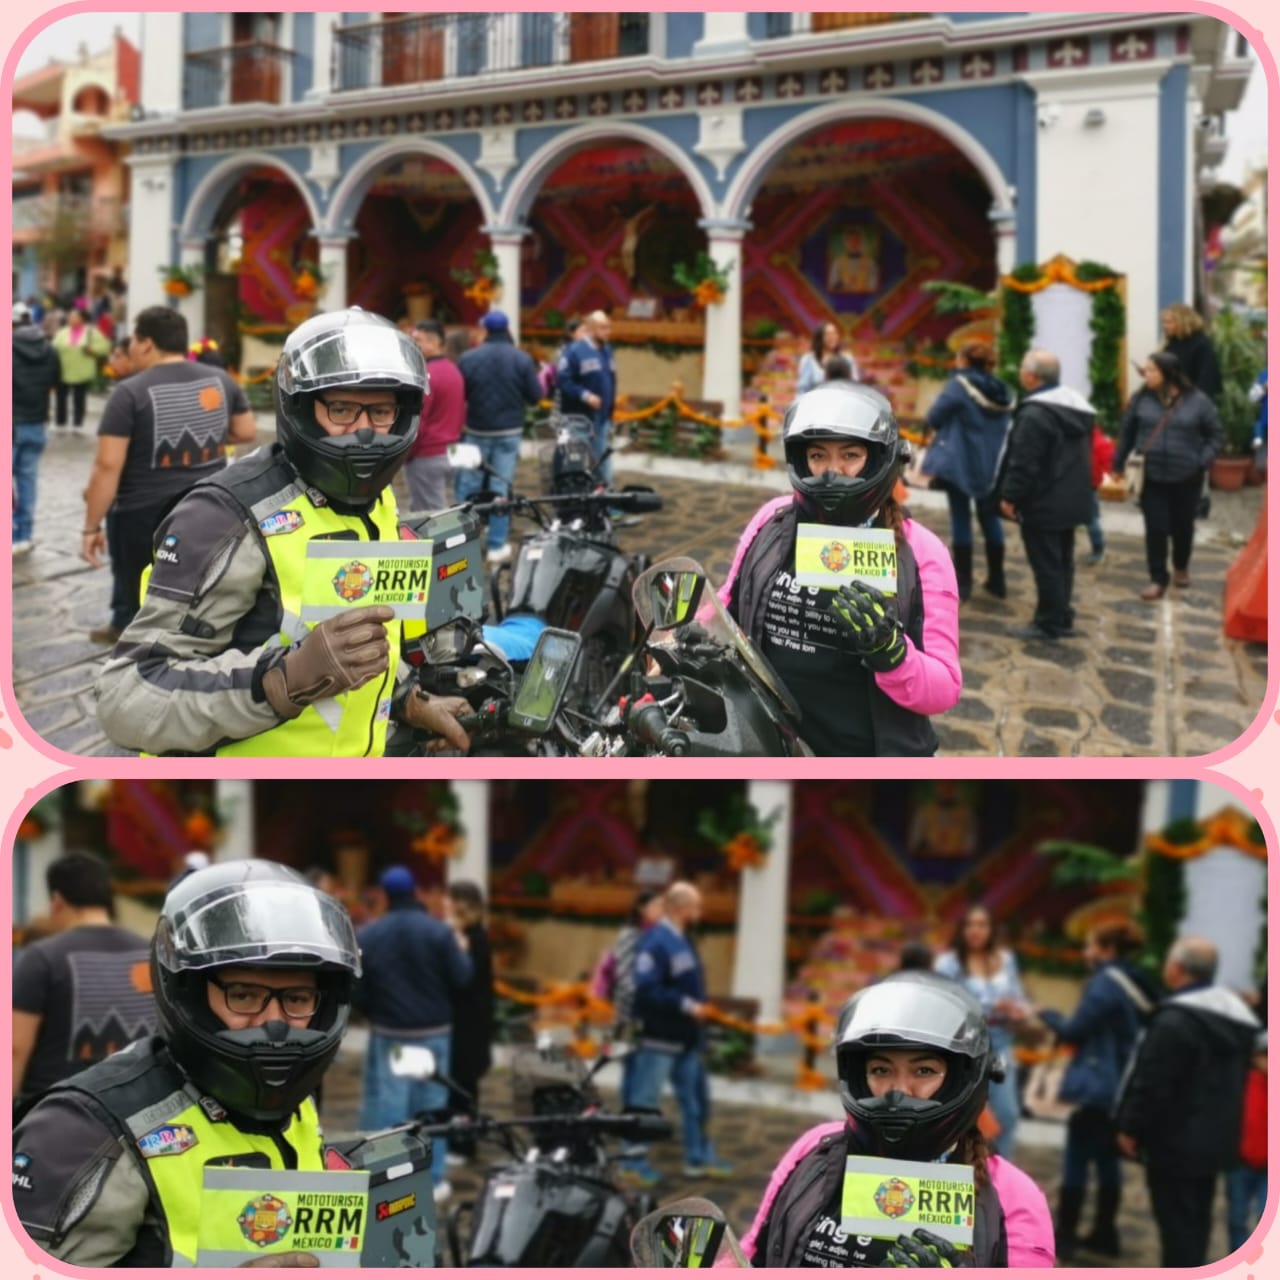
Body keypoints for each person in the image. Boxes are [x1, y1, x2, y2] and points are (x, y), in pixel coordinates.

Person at [94, 307, 473, 757]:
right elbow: (126, 698)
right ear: (300, 407)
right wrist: (283, 680)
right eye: (342, 408)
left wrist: (407, 699)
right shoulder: (225, 515)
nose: (365, 433)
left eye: (382, 411)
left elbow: (360, 631)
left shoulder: (377, 502)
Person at [12, 859, 359, 1266]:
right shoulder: (86, 1128)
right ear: (188, 993)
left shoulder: (296, 1106)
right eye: (244, 995)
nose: (274, 1024)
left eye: (297, 1000)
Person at [736, 972, 1055, 1267]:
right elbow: (751, 1251)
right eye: (881, 1070)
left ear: (964, 1077)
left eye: (924, 1071)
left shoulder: (1013, 1194)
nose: (898, 1091)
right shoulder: (815, 1147)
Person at [717, 381, 961, 757]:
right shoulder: (772, 519)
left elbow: (945, 687)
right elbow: (726, 603)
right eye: (817, 456)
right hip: (769, 741)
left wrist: (892, 652)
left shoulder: (920, 551)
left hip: (865, 752)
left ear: (880, 459)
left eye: (850, 455)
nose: (832, 472)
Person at [81, 306, 257, 646]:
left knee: (132, 581)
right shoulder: (221, 380)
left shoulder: (129, 392)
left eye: (133, 339)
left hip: (140, 511)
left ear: (146, 343)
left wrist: (91, 526)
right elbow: (246, 430)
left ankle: (129, 639)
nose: (131, 346)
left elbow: (107, 465)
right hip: (206, 504)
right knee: (195, 577)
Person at [1115, 936, 1262, 1268]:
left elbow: (1152, 1082)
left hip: (1173, 1143)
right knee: (1197, 1222)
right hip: (1215, 1141)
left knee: (1176, 1229)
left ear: (1177, 969)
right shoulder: (1237, 1019)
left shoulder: (1174, 1020)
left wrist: (1129, 1127)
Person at [1036, 920, 1157, 1261]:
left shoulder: (1105, 982)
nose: (1086, 953)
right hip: (1122, 1083)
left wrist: (1049, 1015)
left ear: (1106, 950)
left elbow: (1076, 1029)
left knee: (1077, 1158)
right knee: (1107, 1159)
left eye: (1090, 946)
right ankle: (1105, 1234)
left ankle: (1068, 1235)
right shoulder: (1134, 979)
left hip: (1098, 1087)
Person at [354, 865, 473, 1200]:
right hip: (434, 1033)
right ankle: (432, 1180)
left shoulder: (370, 935)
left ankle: (388, 1179)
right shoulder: (439, 933)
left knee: (390, 1106)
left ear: (384, 895)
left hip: (391, 1033)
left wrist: (375, 1012)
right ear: (416, 892)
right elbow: (463, 977)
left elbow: (356, 988)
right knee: (433, 1105)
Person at [12, 851, 156, 1105]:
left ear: (56, 900)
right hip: (139, 1109)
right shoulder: (150, 953)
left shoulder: (42, 958)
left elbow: (14, 1049)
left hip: (56, 1114)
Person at [625, 882, 732, 1185]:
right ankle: (633, 1160)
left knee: (695, 1102)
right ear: (682, 908)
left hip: (685, 1038)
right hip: (659, 1038)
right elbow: (646, 988)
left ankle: (696, 1158)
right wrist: (686, 1005)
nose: (700, 912)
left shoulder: (682, 939)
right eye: (696, 906)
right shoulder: (655, 941)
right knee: (645, 1101)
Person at [996, 349, 1094, 642]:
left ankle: (1049, 623)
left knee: (1047, 563)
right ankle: (1061, 615)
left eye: (1023, 368)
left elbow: (1024, 462)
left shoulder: (1036, 413)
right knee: (1063, 560)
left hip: (1044, 500)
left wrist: (1009, 496)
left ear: (1032, 376)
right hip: (1071, 496)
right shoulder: (1074, 406)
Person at [1111, 351, 1225, 600]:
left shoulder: (1198, 401)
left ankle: (1181, 566)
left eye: (1152, 370)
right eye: (1146, 369)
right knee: (1156, 528)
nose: (1145, 373)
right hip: (1151, 476)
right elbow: (1127, 434)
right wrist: (1117, 465)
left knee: (1183, 527)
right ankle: (1158, 578)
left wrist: (1201, 461)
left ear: (1169, 373)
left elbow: (1216, 436)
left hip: (1187, 477)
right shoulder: (1140, 399)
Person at [933, 904, 1030, 1159]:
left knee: (1007, 1113)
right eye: (970, 925)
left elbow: (1018, 996)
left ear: (991, 929)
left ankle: (1000, 1175)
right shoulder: (948, 963)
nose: (976, 931)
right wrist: (992, 1006)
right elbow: (946, 1003)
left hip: (1001, 1043)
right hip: (964, 1045)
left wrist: (1019, 1011)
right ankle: (958, 1169)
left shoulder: (1006, 959)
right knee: (962, 1114)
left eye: (982, 925)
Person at [921, 341, 1014, 601]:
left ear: (964, 360)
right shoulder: (1001, 391)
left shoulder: (959, 386)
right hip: (991, 464)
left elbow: (935, 416)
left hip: (960, 463)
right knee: (990, 517)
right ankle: (997, 580)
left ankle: (964, 583)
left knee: (961, 519)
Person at [455, 309, 542, 565]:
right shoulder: (522, 359)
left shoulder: (469, 358)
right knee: (500, 487)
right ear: (507, 330)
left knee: (467, 487)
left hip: (476, 431)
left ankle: (461, 544)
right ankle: (496, 544)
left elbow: (462, 395)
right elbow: (536, 396)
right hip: (509, 432)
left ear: (486, 330)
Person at [591, 888, 664, 1106]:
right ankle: (630, 1114)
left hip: (651, 1013)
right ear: (641, 908)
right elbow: (625, 977)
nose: (662, 910)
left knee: (643, 1067)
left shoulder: (660, 934)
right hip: (629, 1012)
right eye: (657, 905)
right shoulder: (630, 934)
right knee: (632, 1065)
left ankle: (635, 1112)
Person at [444, 880, 494, 1161]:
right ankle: (459, 1140)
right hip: (466, 1024)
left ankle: (463, 1144)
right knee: (459, 1086)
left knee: (462, 1088)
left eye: (450, 900)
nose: (445, 905)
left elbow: (467, 981)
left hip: (468, 1027)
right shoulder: (470, 935)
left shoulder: (473, 939)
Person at [12, 300, 63, 555]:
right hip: (36, 423)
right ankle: (24, 536)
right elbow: (54, 384)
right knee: (27, 481)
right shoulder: (49, 350)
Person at [406, 319, 466, 513]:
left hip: (427, 454)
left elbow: (419, 419)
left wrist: (406, 453)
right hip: (450, 450)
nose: (412, 345)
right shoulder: (453, 370)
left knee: (429, 517)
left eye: (417, 340)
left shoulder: (428, 374)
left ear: (433, 343)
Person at [556, 309, 617, 484]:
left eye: (609, 327)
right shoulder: (574, 352)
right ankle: (575, 500)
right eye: (603, 327)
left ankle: (605, 500)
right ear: (591, 328)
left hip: (601, 418)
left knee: (603, 460)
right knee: (577, 462)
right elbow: (563, 381)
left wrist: (610, 411)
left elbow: (611, 381)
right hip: (577, 418)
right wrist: (585, 395)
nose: (608, 331)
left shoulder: (607, 351)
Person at [1226, 1031, 1267, 1253]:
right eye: (1266, 1055)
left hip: (1269, 1168)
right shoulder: (1241, 1082)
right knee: (1237, 1217)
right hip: (1240, 1163)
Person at [51, 305, 110, 429]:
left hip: (81, 371)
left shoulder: (91, 332)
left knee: (79, 398)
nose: (71, 319)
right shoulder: (63, 332)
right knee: (61, 397)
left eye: (74, 317)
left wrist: (92, 349)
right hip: (63, 370)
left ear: (82, 319)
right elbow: (53, 347)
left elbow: (105, 347)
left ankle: (78, 422)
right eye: (70, 317)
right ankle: (60, 422)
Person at [1160, 302, 1222, 403]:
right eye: (1163, 322)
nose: (1165, 326)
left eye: (1169, 322)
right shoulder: (1170, 342)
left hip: (1190, 403)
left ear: (1183, 321)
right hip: (1170, 400)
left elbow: (1207, 380)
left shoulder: (1200, 344)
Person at [797, 321, 858, 394]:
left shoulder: (847, 358)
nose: (832, 337)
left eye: (834, 333)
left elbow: (855, 384)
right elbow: (803, 388)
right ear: (820, 337)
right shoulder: (809, 359)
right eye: (828, 334)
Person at [1249, 366, 1267, 475]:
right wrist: (1264, 388)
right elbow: (1252, 397)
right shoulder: (1266, 374)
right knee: (1262, 466)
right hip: (1266, 426)